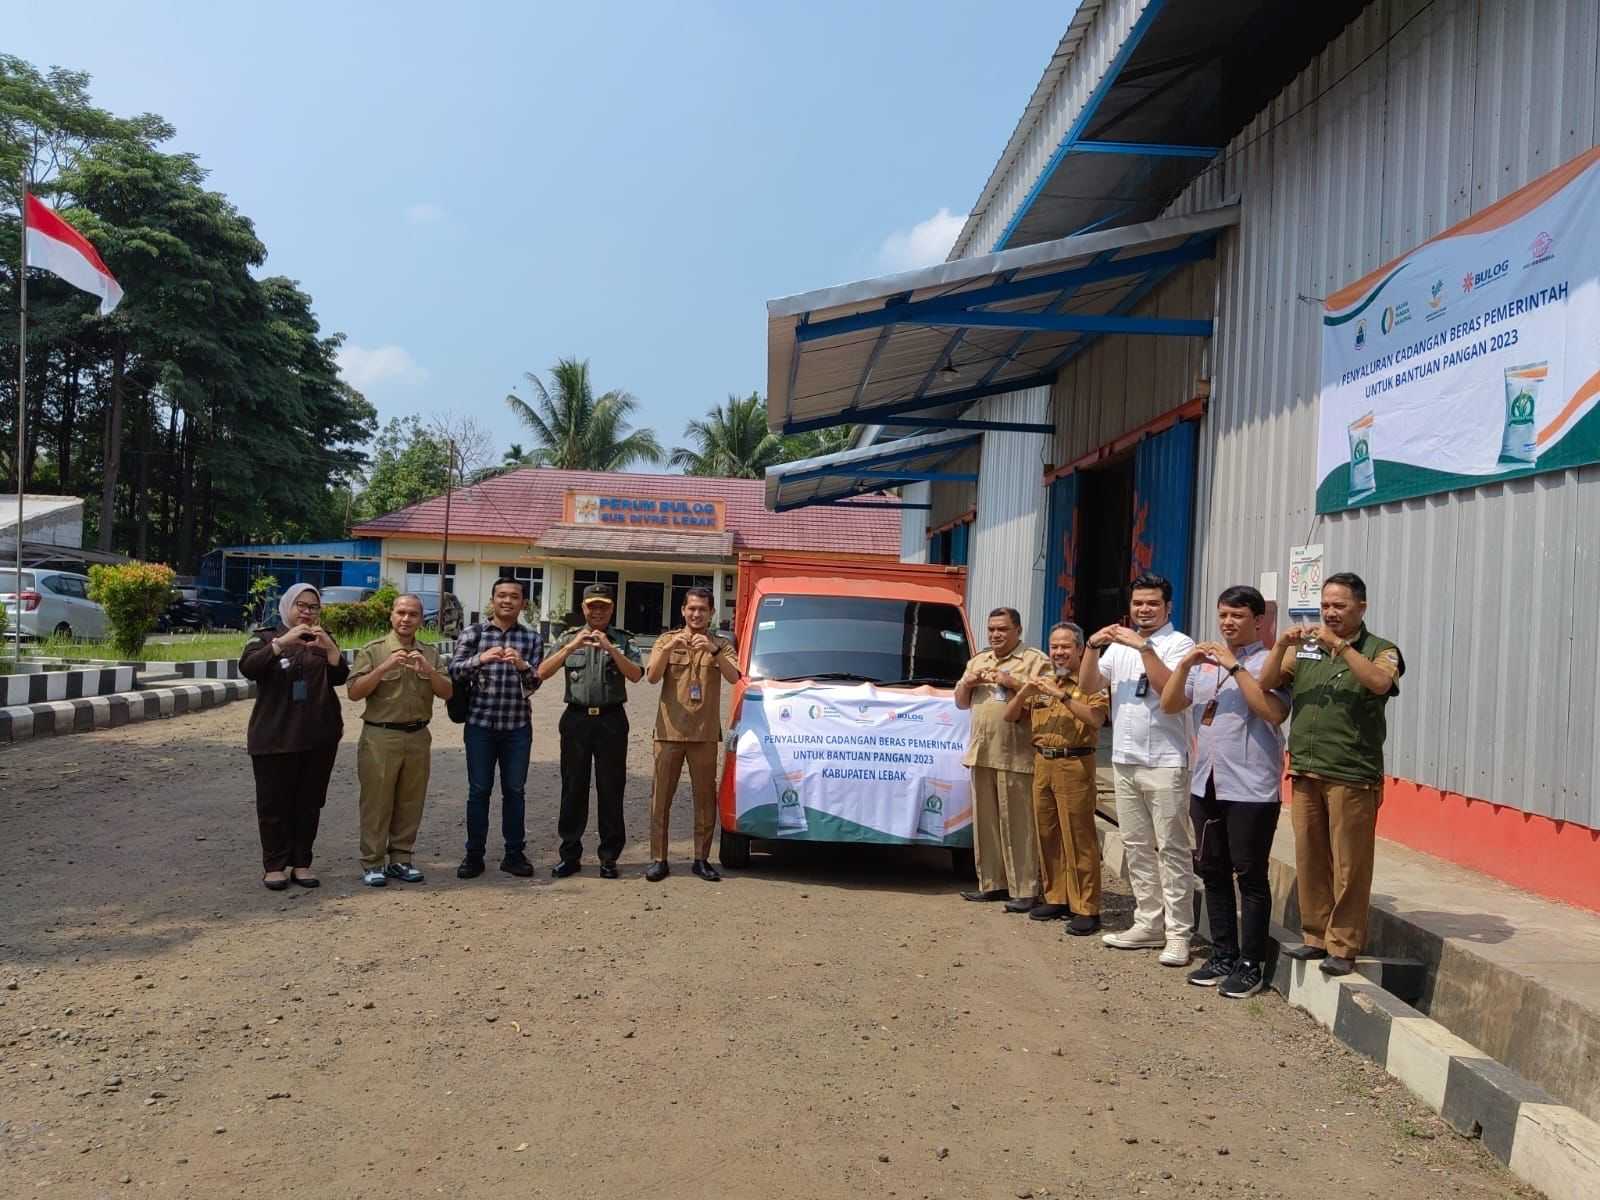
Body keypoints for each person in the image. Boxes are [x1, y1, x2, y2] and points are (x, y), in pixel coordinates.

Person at [1258, 572, 1404, 977]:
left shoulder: (1381, 649)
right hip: (1306, 769)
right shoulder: (1305, 648)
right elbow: (1267, 682)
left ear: (1361, 607)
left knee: (1349, 864)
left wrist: (1340, 647)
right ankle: (1315, 936)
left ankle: (1343, 944)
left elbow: (1378, 683)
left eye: (1339, 606)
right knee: (1310, 857)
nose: (1330, 613)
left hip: (1351, 773)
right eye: (1325, 606)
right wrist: (1281, 646)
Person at [1160, 586, 1288, 998]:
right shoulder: (1206, 663)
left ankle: (1251, 962)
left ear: (1258, 620)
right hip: (1207, 781)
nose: (1228, 623)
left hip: (1251, 787)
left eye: (1237, 615)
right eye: (1223, 615)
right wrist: (1185, 666)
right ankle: (1223, 953)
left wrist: (1234, 667)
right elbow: (1170, 704)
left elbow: (1271, 711)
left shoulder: (1272, 661)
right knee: (1212, 871)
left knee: (1249, 876)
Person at [1078, 573, 1198, 966]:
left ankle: (1179, 932)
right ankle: (1148, 922)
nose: (1144, 610)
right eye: (1138, 604)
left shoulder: (1180, 645)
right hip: (1125, 760)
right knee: (1137, 847)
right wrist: (1093, 648)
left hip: (1165, 762)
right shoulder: (1119, 645)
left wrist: (1145, 648)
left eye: (1152, 604)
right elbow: (1089, 684)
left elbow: (1171, 693)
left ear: (1168, 608)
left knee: (1173, 849)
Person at [238, 583, 348, 891]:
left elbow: (341, 677)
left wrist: (330, 649)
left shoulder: (322, 639)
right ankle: (274, 865)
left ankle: (302, 862)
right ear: (287, 605)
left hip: (318, 736)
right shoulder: (264, 637)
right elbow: (249, 667)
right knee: (274, 803)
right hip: (274, 736)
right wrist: (281, 643)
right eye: (301, 605)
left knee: (309, 803)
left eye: (313, 607)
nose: (307, 611)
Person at [1003, 621, 1108, 934]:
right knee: (1047, 832)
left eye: (1065, 647)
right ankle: (1056, 896)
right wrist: (1025, 689)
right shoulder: (1043, 680)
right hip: (1043, 763)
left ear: (1079, 649)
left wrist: (1061, 696)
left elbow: (1095, 719)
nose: (1059, 653)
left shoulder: (1092, 682)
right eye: (1054, 647)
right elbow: (1010, 716)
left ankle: (1086, 907)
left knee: (1079, 837)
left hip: (1074, 762)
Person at [347, 593, 453, 887]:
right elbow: (354, 692)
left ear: (421, 619)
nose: (406, 619)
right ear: (391, 616)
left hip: (418, 736)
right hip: (381, 736)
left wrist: (428, 671)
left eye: (413, 614)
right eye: (401, 613)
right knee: (377, 801)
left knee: (410, 800)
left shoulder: (430, 654)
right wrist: (384, 668)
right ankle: (372, 862)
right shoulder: (374, 651)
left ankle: (401, 860)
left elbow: (447, 692)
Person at [538, 583, 643, 879]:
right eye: (592, 605)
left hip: (611, 720)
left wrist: (611, 648)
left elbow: (635, 675)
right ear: (583, 608)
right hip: (576, 719)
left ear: (612, 608)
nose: (597, 611)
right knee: (573, 788)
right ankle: (569, 855)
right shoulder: (568, 637)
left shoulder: (623, 640)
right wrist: (572, 647)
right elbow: (542, 672)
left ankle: (609, 857)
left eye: (604, 606)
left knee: (611, 788)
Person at [954, 608, 1051, 910]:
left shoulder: (1035, 660)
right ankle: (992, 883)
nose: (996, 635)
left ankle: (1024, 889)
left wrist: (1012, 682)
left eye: (1003, 629)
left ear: (1018, 631)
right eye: (992, 629)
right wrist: (968, 683)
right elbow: (960, 702)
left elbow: (1048, 700)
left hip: (1016, 755)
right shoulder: (978, 660)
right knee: (987, 826)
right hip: (982, 753)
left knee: (1019, 825)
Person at [643, 586, 740, 882]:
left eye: (703, 609)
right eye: (691, 608)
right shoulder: (666, 640)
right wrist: (672, 648)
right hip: (669, 732)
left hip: (704, 734)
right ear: (683, 611)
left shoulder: (721, 644)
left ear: (711, 613)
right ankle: (659, 858)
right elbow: (652, 676)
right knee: (661, 798)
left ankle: (701, 858)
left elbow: (735, 676)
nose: (696, 614)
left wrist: (711, 650)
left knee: (704, 799)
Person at [449, 577, 543, 879]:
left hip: (517, 727)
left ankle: (514, 854)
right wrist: (481, 658)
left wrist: (523, 667)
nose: (507, 601)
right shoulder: (473, 633)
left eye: (514, 596)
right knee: (479, 791)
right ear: (493, 599)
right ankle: (474, 854)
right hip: (480, 726)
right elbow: (454, 670)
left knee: (515, 791)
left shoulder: (531, 639)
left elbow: (535, 683)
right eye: (501, 595)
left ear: (523, 603)